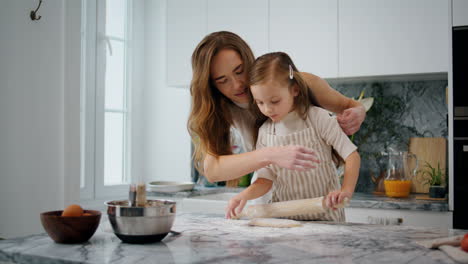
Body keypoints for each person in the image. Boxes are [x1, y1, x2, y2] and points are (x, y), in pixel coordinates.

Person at [187, 31, 365, 183]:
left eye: (239, 71)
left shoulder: (299, 83)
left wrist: (357, 113)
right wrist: (271, 155)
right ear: (212, 85)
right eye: (222, 80)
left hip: (317, 190)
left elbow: (351, 105)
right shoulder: (219, 109)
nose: (237, 85)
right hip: (270, 195)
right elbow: (212, 171)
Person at [225, 52, 360, 221]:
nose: (267, 109)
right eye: (260, 102)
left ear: (294, 90)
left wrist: (345, 191)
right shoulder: (266, 132)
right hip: (286, 221)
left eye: (274, 101)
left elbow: (352, 156)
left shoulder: (318, 118)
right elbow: (264, 180)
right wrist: (243, 196)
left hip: (327, 218)